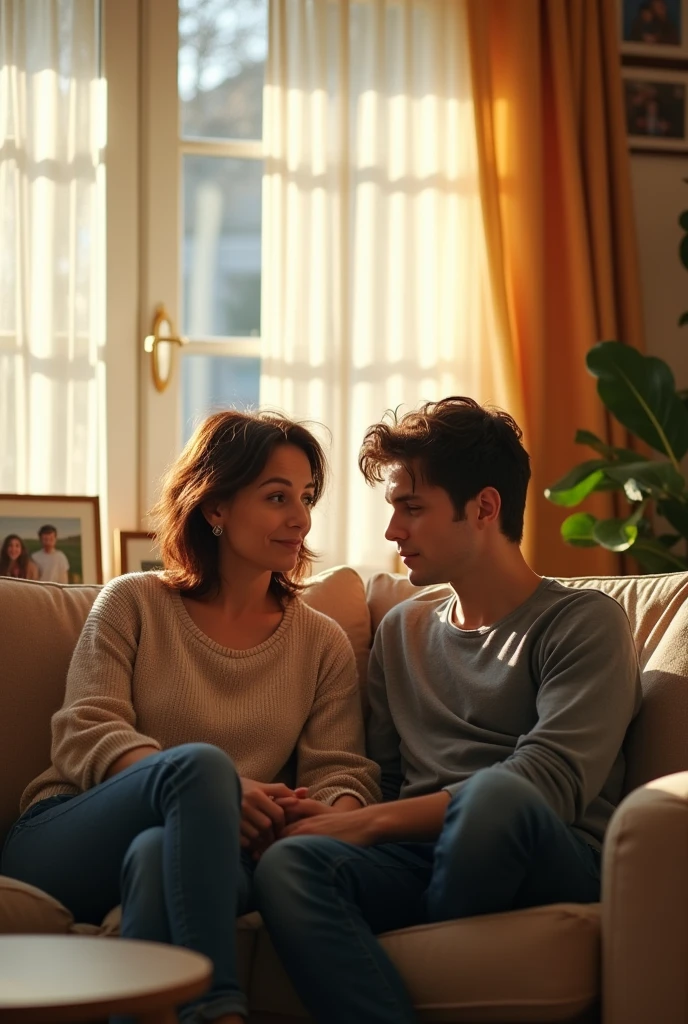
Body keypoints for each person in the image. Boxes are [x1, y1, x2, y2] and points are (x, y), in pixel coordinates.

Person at [252, 396, 642, 1024]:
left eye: (412, 508)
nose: (392, 531)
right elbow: (386, 782)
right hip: (424, 855)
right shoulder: (402, 630)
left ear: (485, 508)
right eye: (393, 510)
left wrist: (366, 827)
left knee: (494, 798)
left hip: (545, 848)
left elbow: (548, 784)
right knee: (291, 863)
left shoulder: (583, 622)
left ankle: (430, 927)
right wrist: (328, 815)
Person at [0, 410, 381, 1024]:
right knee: (202, 769)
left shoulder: (323, 643)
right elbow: (85, 728)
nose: (300, 517)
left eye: (307, 496)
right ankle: (219, 1011)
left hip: (209, 858)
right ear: (215, 508)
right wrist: (217, 788)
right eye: (277, 496)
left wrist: (323, 819)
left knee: (157, 853)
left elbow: (343, 774)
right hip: (66, 837)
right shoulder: (133, 602)